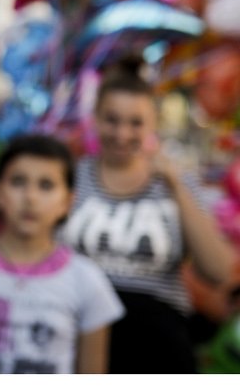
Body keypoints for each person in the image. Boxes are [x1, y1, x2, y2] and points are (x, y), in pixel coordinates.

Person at [61, 55, 235, 374]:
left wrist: (176, 185)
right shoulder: (70, 178)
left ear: (153, 125)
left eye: (135, 122)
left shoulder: (176, 182)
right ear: (95, 119)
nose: (122, 133)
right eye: (112, 120)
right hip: (74, 335)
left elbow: (219, 271)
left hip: (158, 346)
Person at [0, 133, 124, 374]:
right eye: (18, 181)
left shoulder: (89, 282)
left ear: (68, 201)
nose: (30, 197)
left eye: (46, 185)